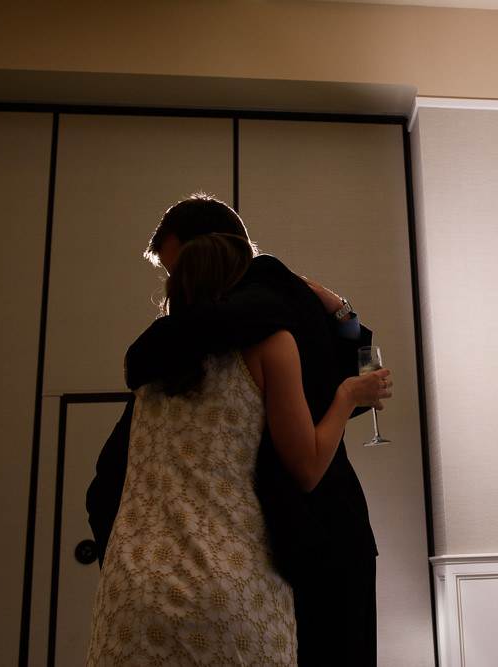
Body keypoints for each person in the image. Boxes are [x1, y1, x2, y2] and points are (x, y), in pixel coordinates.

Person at [86, 193, 382, 666]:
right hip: (276, 550)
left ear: (210, 252)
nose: (172, 281)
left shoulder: (259, 296)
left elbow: (169, 342)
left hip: (306, 535)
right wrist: (342, 314)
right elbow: (350, 351)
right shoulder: (270, 317)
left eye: (175, 266)